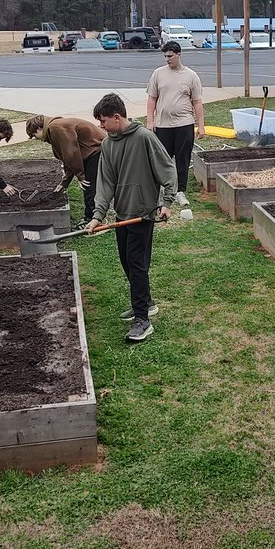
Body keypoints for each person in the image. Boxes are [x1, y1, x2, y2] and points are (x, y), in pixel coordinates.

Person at [86, 93, 176, 343]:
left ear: (117, 117)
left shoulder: (144, 137)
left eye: (103, 121)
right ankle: (145, 303)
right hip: (122, 214)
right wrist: (98, 216)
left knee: (136, 265)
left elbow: (166, 168)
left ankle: (143, 320)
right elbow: (105, 183)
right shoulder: (108, 143)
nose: (100, 126)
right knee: (127, 261)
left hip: (142, 214)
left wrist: (167, 202)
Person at [146, 41, 204, 207]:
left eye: (170, 56)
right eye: (165, 56)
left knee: (182, 159)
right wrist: (150, 121)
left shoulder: (191, 76)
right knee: (162, 160)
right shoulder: (158, 74)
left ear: (179, 54)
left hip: (184, 124)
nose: (167, 59)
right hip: (162, 125)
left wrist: (201, 125)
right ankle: (162, 191)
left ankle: (180, 192)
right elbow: (152, 98)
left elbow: (197, 102)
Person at [25, 114, 106, 227]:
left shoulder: (55, 127)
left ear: (39, 128)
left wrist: (80, 175)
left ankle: (95, 221)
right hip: (91, 151)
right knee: (88, 187)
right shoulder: (54, 127)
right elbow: (67, 157)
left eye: (34, 135)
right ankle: (90, 217)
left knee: (89, 186)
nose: (36, 138)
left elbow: (71, 153)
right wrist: (65, 182)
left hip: (96, 151)